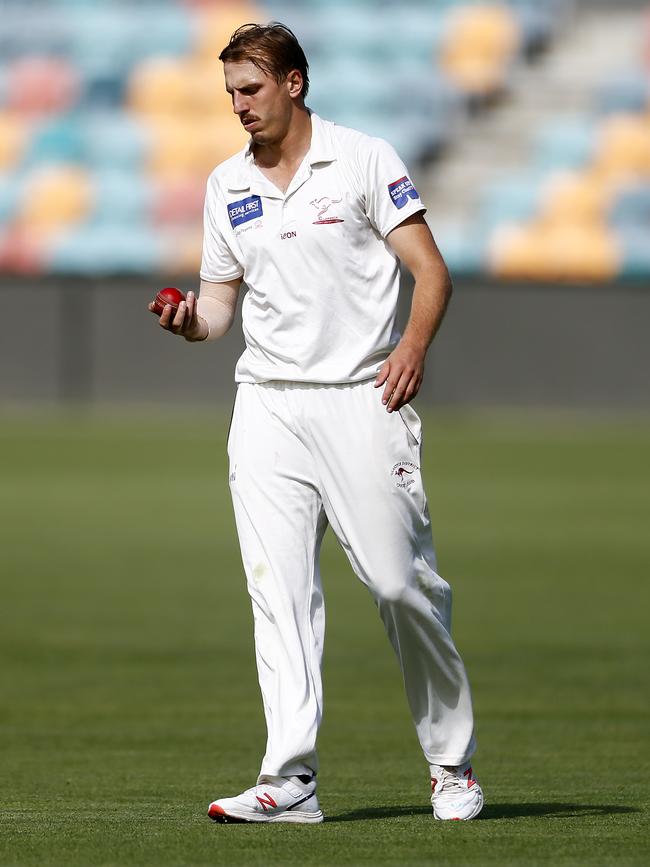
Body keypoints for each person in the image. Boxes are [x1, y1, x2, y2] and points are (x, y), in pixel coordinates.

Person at [149, 22, 483, 824]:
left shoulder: (363, 158)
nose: (239, 105)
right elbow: (220, 309)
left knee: (401, 585)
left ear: (293, 83)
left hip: (361, 398)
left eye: (251, 89)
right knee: (280, 592)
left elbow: (430, 271)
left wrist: (412, 345)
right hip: (266, 403)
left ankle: (452, 763)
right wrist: (188, 319)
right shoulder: (227, 182)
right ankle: (290, 779)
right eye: (230, 91)